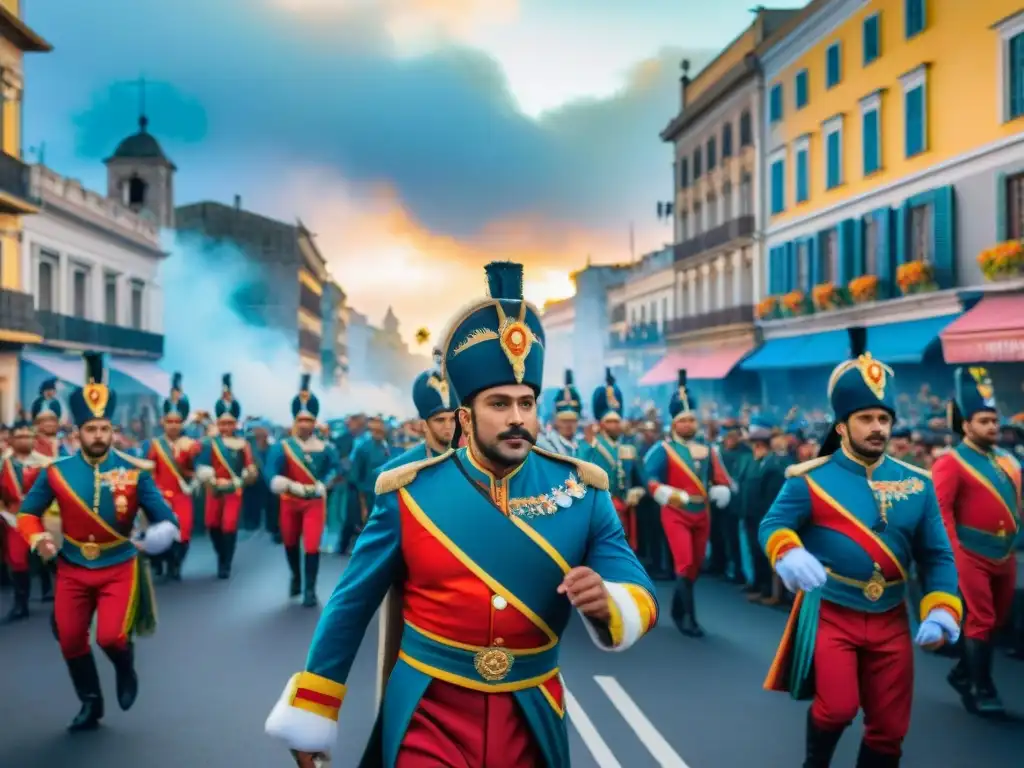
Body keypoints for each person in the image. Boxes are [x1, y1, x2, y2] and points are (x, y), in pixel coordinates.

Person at [266, 261, 658, 768]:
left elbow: (636, 583)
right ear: (465, 417)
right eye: (499, 403)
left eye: (526, 402)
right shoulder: (407, 493)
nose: (518, 417)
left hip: (531, 711)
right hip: (430, 709)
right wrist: (316, 708)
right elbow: (349, 606)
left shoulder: (583, 491)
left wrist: (610, 604)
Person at [759, 328, 961, 768]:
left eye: (883, 419)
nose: (877, 428)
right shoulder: (809, 478)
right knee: (837, 709)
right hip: (834, 610)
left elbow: (937, 556)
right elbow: (773, 524)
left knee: (889, 731)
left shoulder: (919, 484)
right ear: (842, 425)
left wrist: (943, 608)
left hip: (891, 616)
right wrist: (788, 552)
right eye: (866, 418)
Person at [16, 353, 179, 731]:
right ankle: (91, 701)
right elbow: (27, 512)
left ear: (112, 429)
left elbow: (166, 521)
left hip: (118, 566)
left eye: (104, 429)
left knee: (110, 637)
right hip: (72, 566)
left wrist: (152, 539)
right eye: (91, 430)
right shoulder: (56, 472)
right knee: (71, 639)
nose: (99, 436)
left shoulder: (135, 473)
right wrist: (38, 538)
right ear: (78, 432)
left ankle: (125, 664)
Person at [933, 366, 1020, 717]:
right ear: (966, 425)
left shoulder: (1008, 459)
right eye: (983, 421)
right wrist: (952, 555)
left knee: (998, 620)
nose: (992, 427)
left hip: (1006, 552)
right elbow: (941, 513)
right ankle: (982, 687)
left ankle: (961, 673)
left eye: (994, 420)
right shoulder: (950, 463)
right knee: (981, 619)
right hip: (970, 552)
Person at [643, 370, 735, 637]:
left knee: (694, 566)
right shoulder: (663, 449)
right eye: (683, 421)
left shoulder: (708, 448)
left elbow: (718, 476)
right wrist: (666, 493)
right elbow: (649, 477)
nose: (687, 425)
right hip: (676, 511)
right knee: (683, 563)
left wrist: (721, 488)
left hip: (701, 512)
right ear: (674, 424)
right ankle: (690, 620)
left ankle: (676, 610)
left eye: (691, 420)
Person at [267, 374, 340, 607]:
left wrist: (325, 483)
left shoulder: (325, 448)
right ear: (294, 422)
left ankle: (310, 588)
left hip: (314, 501)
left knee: (311, 544)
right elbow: (271, 470)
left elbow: (337, 468)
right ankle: (296, 576)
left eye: (309, 420)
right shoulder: (283, 447)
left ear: (315, 422)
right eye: (301, 420)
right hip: (289, 500)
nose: (305, 425)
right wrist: (283, 483)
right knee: (289, 541)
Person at [138, 372, 201, 580]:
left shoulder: (191, 445)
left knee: (184, 531)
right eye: (169, 421)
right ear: (163, 422)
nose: (173, 425)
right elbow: (148, 471)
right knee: (159, 532)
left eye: (177, 421)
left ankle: (176, 564)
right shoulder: (154, 445)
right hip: (160, 495)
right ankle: (162, 563)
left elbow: (196, 470)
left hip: (182, 493)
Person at [195, 373, 258, 579]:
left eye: (230, 424)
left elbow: (249, 466)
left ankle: (226, 563)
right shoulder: (209, 442)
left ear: (235, 424)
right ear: (218, 424)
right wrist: (209, 478)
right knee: (212, 525)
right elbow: (201, 463)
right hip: (214, 489)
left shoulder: (243, 444)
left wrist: (247, 475)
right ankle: (220, 554)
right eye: (223, 424)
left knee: (229, 525)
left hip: (233, 488)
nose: (226, 428)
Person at [578, 368, 645, 549]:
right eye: (610, 422)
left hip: (626, 505)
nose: (615, 425)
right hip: (602, 507)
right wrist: (589, 442)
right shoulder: (592, 445)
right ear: (601, 423)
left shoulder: (628, 446)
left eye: (617, 421)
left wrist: (637, 490)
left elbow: (640, 478)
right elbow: (579, 467)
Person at [0, 413, 47, 621]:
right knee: (17, 560)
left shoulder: (45, 464)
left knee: (58, 559)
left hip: (44, 518)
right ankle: (21, 603)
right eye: (19, 436)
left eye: (28, 436)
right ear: (11, 439)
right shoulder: (3, 464)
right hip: (14, 518)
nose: (24, 440)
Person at [382, 359, 457, 471]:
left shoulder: (470, 463)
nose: (448, 425)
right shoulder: (400, 470)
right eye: (440, 420)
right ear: (424, 424)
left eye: (453, 419)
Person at [536, 369, 582, 457]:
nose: (569, 425)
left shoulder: (582, 444)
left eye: (573, 420)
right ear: (555, 420)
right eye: (564, 420)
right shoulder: (544, 445)